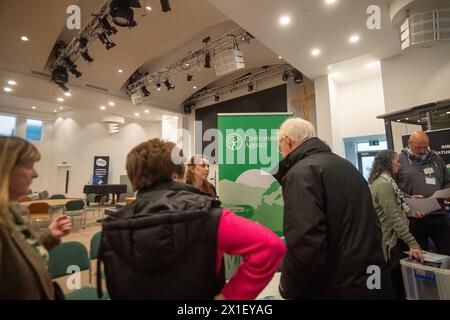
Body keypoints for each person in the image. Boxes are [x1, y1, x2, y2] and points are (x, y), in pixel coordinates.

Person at [99, 138, 285, 300]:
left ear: (133, 178)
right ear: (177, 174)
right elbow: (271, 246)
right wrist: (230, 296)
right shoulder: (209, 216)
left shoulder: (112, 227)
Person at [274, 118, 392, 300]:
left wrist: (287, 288)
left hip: (334, 285)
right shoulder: (346, 166)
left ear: (287, 141)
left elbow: (306, 243)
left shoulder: (301, 173)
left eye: (279, 145)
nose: (280, 152)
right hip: (369, 276)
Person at [0, 136, 72, 299]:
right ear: (5, 167)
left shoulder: (9, 212)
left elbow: (19, 255)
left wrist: (49, 235)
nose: (35, 174)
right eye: (28, 166)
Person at [368, 150, 423, 299]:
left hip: (394, 240)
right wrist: (413, 243)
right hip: (390, 242)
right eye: (397, 161)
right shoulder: (383, 184)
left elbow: (397, 208)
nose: (399, 164)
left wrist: (411, 212)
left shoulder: (387, 182)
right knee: (394, 286)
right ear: (388, 163)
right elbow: (393, 218)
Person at [397, 131, 450, 255]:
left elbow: (447, 180)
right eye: (418, 147)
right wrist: (408, 197)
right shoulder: (399, 160)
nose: (422, 150)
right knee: (421, 256)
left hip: (439, 214)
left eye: (425, 146)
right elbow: (393, 188)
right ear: (409, 143)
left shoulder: (436, 158)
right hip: (415, 218)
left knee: (447, 251)